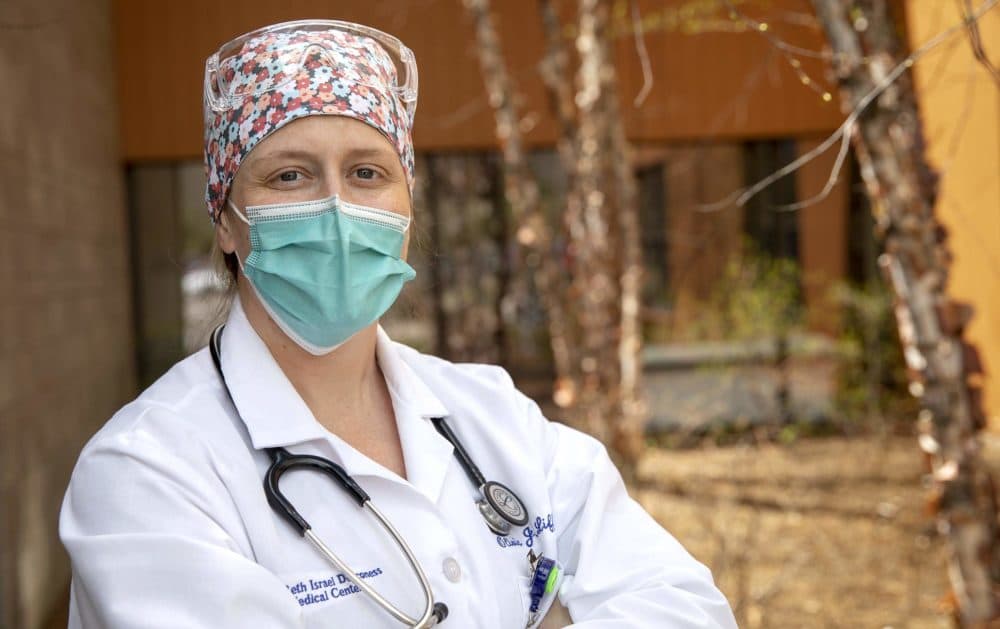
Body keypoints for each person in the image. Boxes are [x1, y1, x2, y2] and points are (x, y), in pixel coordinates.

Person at [59, 18, 736, 629]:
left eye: (366, 171)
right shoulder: (146, 473)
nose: (337, 209)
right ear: (228, 224)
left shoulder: (495, 416)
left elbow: (686, 605)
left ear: (406, 213)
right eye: (289, 175)